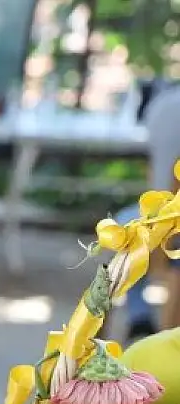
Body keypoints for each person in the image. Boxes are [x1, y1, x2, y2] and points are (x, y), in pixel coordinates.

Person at [115, 83, 180, 342]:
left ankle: (139, 314)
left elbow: (155, 168)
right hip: (173, 235)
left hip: (154, 221)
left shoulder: (162, 106)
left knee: (128, 229)